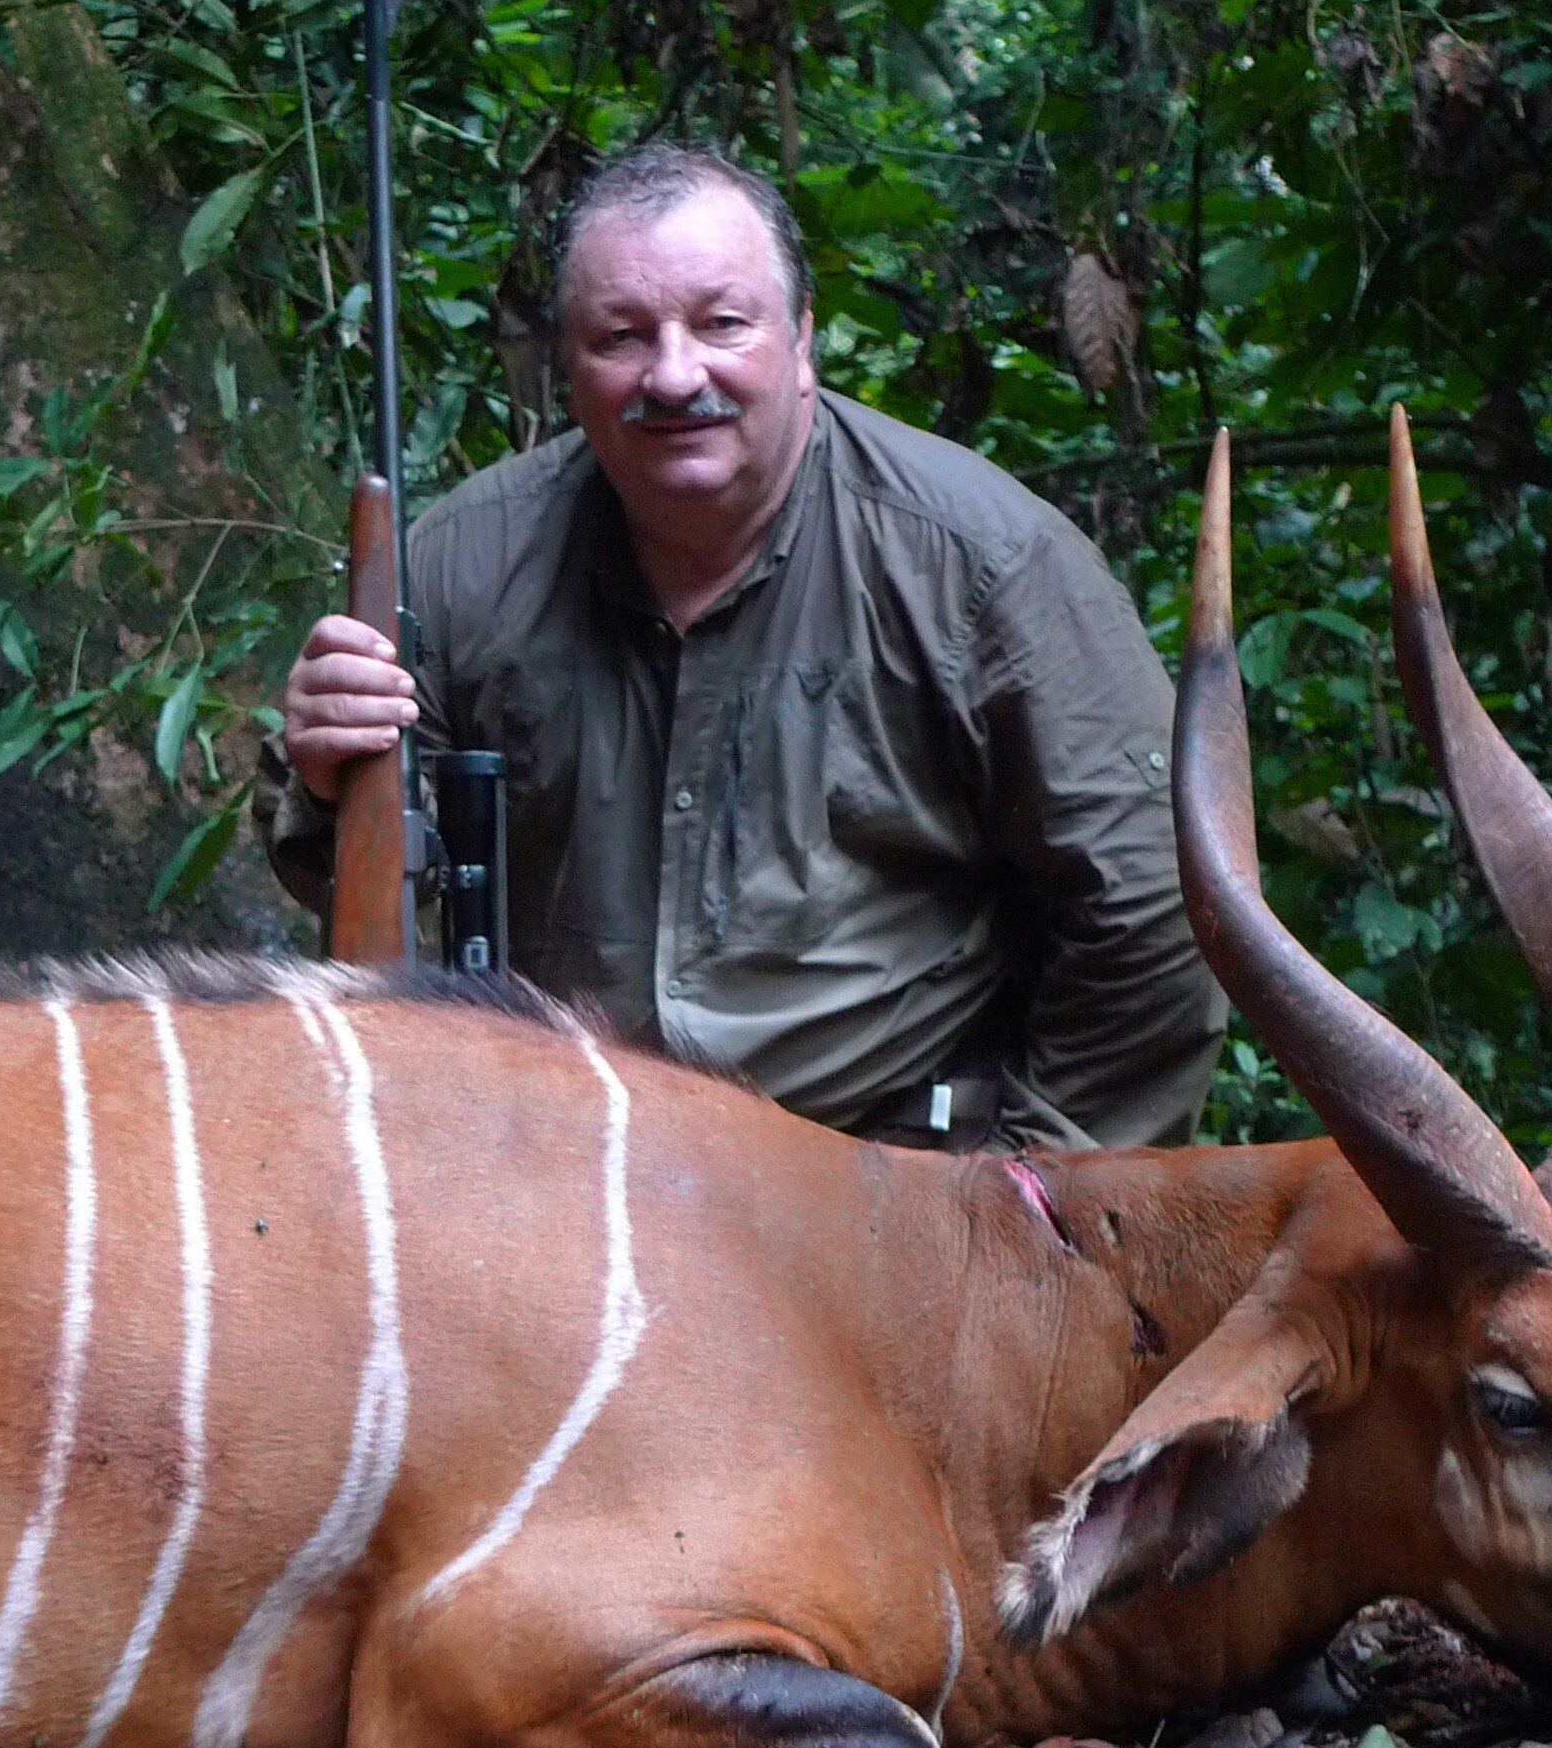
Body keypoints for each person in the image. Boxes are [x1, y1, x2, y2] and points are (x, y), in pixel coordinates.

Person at [263, 141, 1224, 1150]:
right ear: (565, 365)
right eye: (620, 336)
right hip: (560, 1177)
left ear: (803, 339)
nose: (674, 376)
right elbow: (356, 881)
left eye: (721, 324)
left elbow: (1155, 907)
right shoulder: (461, 560)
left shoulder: (981, 565)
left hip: (883, 1183)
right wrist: (330, 777)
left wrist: (1034, 1199)